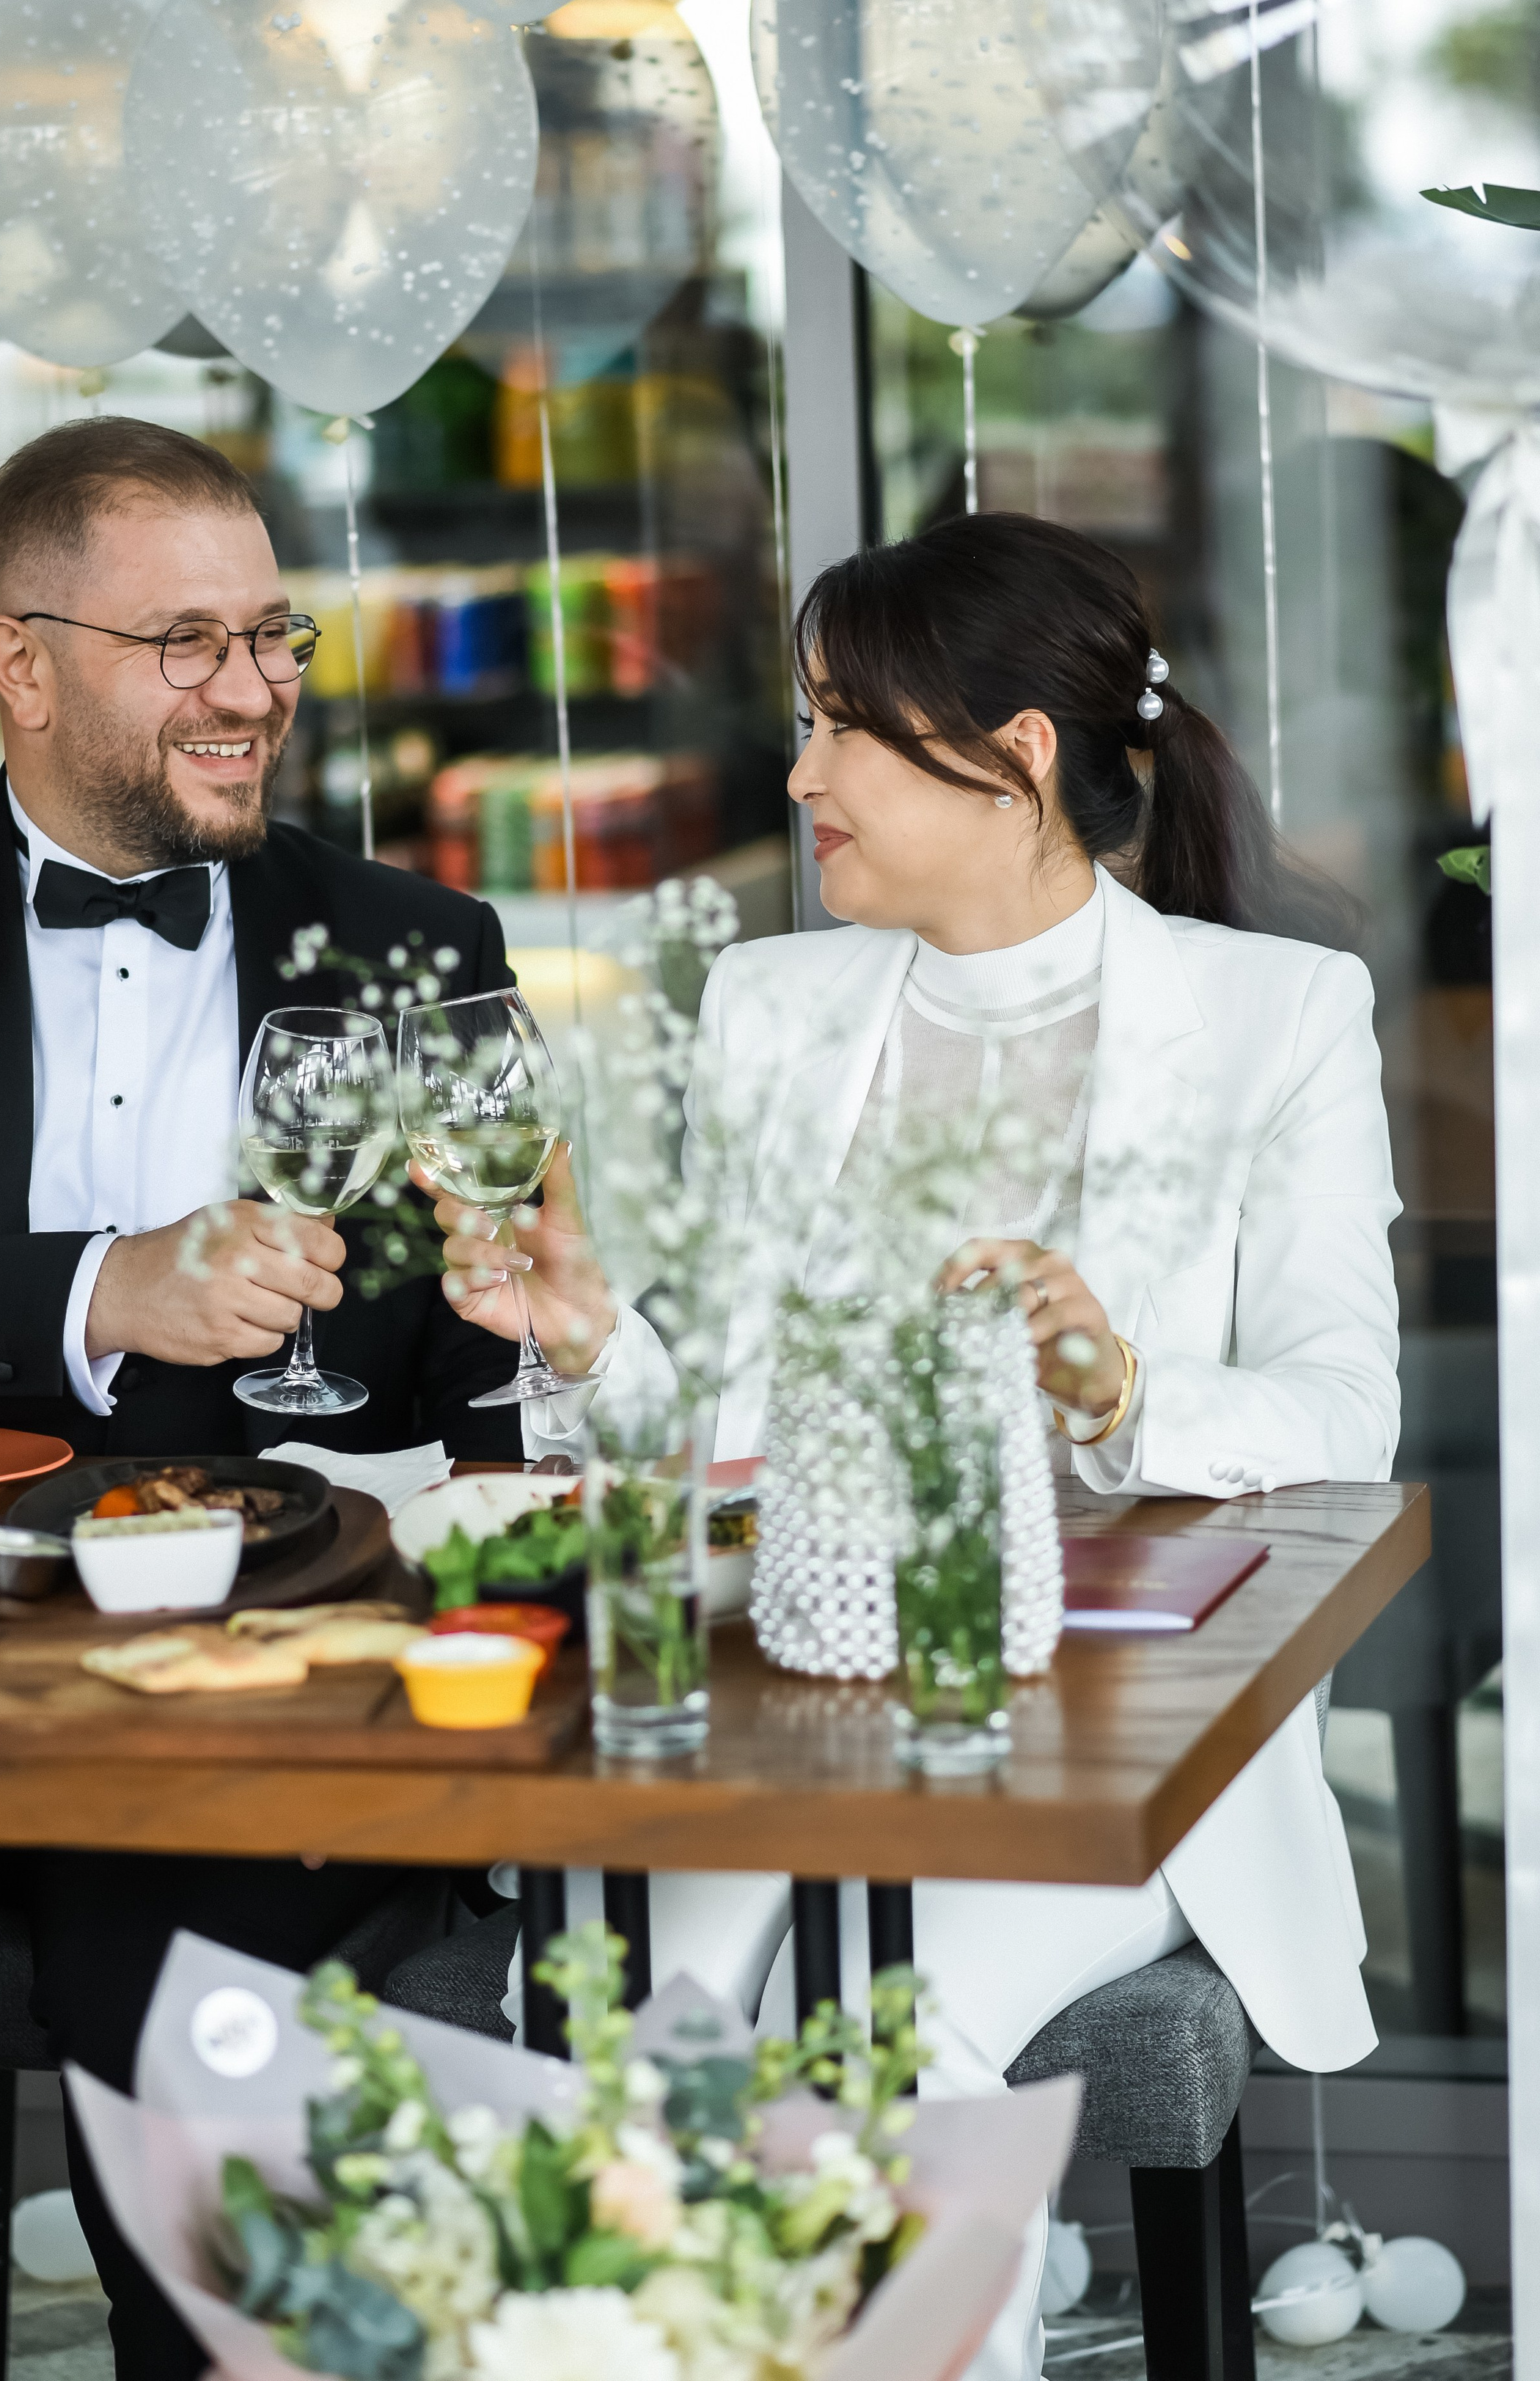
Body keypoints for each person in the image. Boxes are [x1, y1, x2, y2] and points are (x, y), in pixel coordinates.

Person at [422, 513, 1400, 2381]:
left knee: (883, 2035)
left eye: (838, 730)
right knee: (654, 2027)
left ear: (1013, 752)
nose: (796, 777)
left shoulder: (1277, 1017)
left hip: (1107, 1732)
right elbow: (718, 1429)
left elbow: (1347, 1407)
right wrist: (592, 1336)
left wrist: (1116, 1387)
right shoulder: (774, 1010)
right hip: (789, 1701)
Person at [0, 416, 525, 2381]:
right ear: (25, 665)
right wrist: (108, 1292)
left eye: (273, 639)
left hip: (255, 1670)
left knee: (157, 1974)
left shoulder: (421, 952)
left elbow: (494, 1383)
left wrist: (516, 1305)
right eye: (189, 645)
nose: (252, 693)